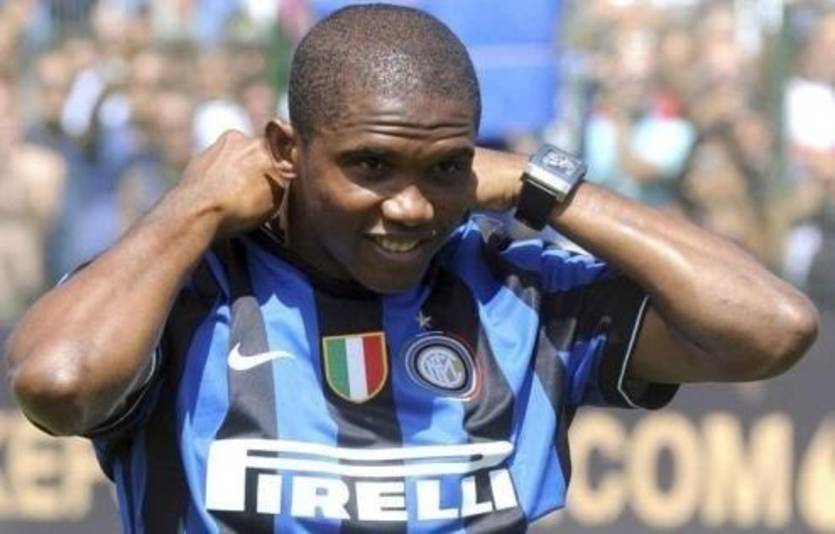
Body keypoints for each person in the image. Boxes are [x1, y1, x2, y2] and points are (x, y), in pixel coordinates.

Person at [4, 5, 819, 533]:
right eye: (371, 165)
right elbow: (58, 383)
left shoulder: (518, 292)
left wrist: (546, 185)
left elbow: (769, 329)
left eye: (443, 168)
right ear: (285, 150)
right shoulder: (191, 289)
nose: (409, 207)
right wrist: (192, 207)